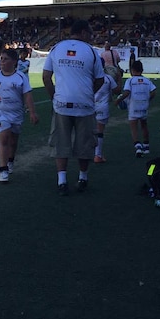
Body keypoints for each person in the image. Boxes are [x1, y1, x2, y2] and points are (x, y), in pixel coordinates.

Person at [42, 20, 104, 195]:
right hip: (85, 105)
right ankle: (82, 178)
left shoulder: (56, 48)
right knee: (85, 143)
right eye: (90, 34)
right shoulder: (91, 52)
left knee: (60, 142)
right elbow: (100, 79)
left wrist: (54, 97)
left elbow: (46, 77)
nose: (91, 38)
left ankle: (62, 181)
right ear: (83, 33)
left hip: (61, 104)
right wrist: (88, 93)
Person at [0, 48, 39, 182]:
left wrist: (32, 112)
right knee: (3, 139)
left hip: (16, 114)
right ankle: (3, 170)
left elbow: (27, 95)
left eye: (5, 59)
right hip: (0, 113)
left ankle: (11, 160)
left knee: (13, 141)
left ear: (14, 62)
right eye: (1, 59)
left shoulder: (20, 77)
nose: (2, 62)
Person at [116, 59, 157, 157]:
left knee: (134, 127)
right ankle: (146, 146)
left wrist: (118, 100)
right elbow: (154, 91)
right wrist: (148, 99)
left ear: (132, 70)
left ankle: (138, 147)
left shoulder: (130, 81)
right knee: (144, 125)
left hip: (134, 105)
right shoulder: (147, 81)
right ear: (142, 70)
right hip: (144, 105)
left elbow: (126, 92)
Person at [93, 65, 122, 163]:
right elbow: (117, 91)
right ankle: (98, 155)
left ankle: (87, 153)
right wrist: (119, 78)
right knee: (99, 132)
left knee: (87, 131)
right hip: (102, 107)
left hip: (89, 106)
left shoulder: (89, 76)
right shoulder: (108, 78)